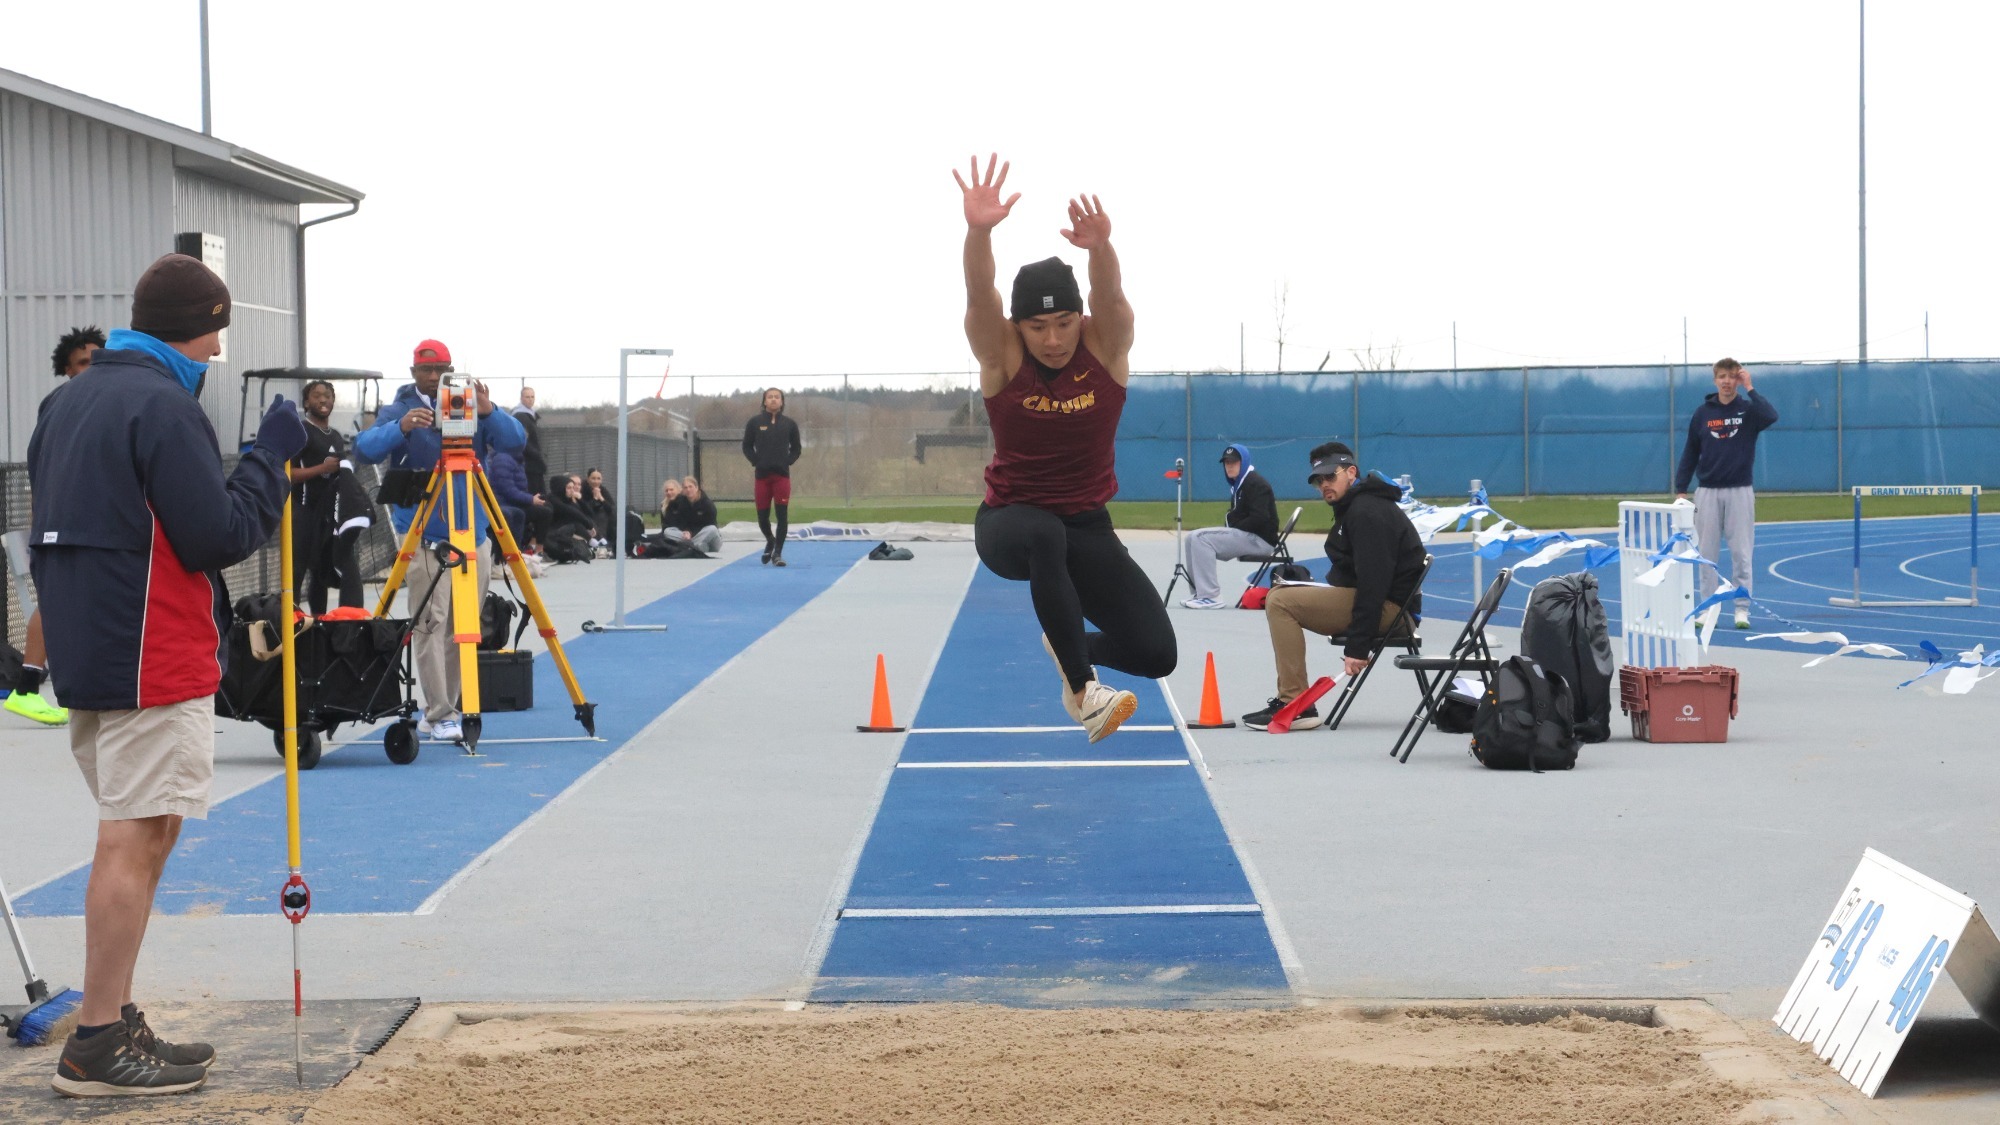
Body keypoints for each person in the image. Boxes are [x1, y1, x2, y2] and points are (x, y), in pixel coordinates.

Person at [30, 253, 304, 1096]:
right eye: (217, 329)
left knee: (143, 831)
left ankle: (112, 1014)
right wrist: (268, 459)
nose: (218, 348)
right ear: (198, 324)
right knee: (134, 834)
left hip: (92, 646)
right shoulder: (162, 402)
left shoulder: (64, 401)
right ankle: (97, 1040)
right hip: (150, 647)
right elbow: (219, 533)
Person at [955, 152, 1174, 742]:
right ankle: (1084, 691)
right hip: (1009, 524)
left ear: (1081, 318)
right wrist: (979, 232)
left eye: (1063, 324)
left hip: (1086, 525)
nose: (1052, 341)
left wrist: (1100, 249)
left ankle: (1065, 644)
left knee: (1157, 652)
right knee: (1042, 533)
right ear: (1018, 329)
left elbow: (1112, 297)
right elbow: (981, 295)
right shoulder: (1002, 360)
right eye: (1036, 328)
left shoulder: (1104, 349)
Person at [354, 339, 525, 742]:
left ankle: (445, 706)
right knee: (431, 623)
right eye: (426, 371)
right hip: (427, 537)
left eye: (440, 370)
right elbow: (363, 448)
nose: (433, 379)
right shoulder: (401, 408)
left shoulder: (467, 402)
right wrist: (401, 427)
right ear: (413, 373)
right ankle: (440, 709)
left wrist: (490, 412)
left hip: (473, 533)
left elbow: (516, 442)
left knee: (463, 624)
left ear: (450, 370)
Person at [1242, 442, 1425, 732]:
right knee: (1280, 594)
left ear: (1351, 472)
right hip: (1387, 605)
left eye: (1330, 477)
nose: (1324, 485)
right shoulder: (1355, 506)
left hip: (1391, 612)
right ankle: (1295, 700)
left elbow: (1373, 585)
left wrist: (1358, 647)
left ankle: (1296, 704)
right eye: (1318, 480)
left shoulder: (1366, 512)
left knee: (1280, 602)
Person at [4, 326, 105, 727]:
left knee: (71, 604)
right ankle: (28, 690)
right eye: (83, 362)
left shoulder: (89, 401)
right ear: (67, 369)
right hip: (66, 523)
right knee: (59, 603)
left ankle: (42, 688)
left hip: (75, 521)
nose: (91, 368)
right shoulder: (65, 403)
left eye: (97, 359)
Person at [1675, 358, 1777, 629]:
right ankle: (1708, 609)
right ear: (1715, 380)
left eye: (1732, 377)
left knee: (1741, 553)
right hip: (1707, 492)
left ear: (1738, 380)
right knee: (1706, 553)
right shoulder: (1702, 414)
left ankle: (1741, 609)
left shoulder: (1749, 410)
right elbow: (1690, 452)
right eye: (1722, 376)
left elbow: (1771, 416)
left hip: (1739, 491)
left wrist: (1751, 388)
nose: (1727, 381)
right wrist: (1681, 489)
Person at [288, 380, 366, 614]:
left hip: (328, 515)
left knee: (321, 570)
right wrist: (321, 469)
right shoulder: (300, 431)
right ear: (306, 402)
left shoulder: (335, 436)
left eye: (328, 396)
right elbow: (288, 474)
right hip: (303, 512)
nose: (323, 400)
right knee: (298, 569)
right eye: (316, 395)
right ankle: (289, 624)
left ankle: (319, 622)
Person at [1179, 444, 1279, 609]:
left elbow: (1260, 518)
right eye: (1226, 463)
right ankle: (1200, 593)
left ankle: (1210, 596)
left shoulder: (1255, 483)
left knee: (1201, 538)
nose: (1229, 466)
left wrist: (1234, 524)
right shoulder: (1240, 484)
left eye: (1234, 462)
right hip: (1249, 537)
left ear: (1244, 462)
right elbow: (1238, 516)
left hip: (1260, 541)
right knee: (1191, 537)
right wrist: (1234, 522)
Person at [742, 387, 801, 566]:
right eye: (770, 397)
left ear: (782, 402)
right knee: (762, 517)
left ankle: (778, 554)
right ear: (764, 401)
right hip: (762, 477)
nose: (774, 399)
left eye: (777, 397)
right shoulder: (754, 422)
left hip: (781, 477)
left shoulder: (790, 424)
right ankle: (770, 539)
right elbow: (746, 446)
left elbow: (796, 449)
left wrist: (787, 461)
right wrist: (756, 461)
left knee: (782, 516)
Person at [512, 386, 547, 494]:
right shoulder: (520, 416)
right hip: (528, 464)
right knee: (536, 493)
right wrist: (537, 455)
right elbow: (524, 441)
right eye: (527, 397)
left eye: (532, 397)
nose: (530, 399)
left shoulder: (530, 415)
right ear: (521, 398)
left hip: (534, 463)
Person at [678, 476, 722, 554]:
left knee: (712, 529)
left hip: (712, 540)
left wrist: (692, 534)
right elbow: (683, 522)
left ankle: (688, 545)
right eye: (685, 487)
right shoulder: (682, 504)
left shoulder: (707, 504)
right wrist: (686, 532)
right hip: (695, 539)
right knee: (669, 531)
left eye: (690, 487)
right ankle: (698, 547)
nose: (688, 490)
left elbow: (710, 524)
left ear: (696, 487)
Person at [579, 467, 615, 551]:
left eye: (598, 479)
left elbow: (611, 508)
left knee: (609, 514)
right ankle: (601, 539)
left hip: (603, 518)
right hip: (587, 516)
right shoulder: (583, 489)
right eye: (593, 478)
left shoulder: (602, 489)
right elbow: (587, 509)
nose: (596, 481)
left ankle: (610, 539)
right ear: (588, 479)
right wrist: (595, 499)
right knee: (601, 514)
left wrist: (601, 498)